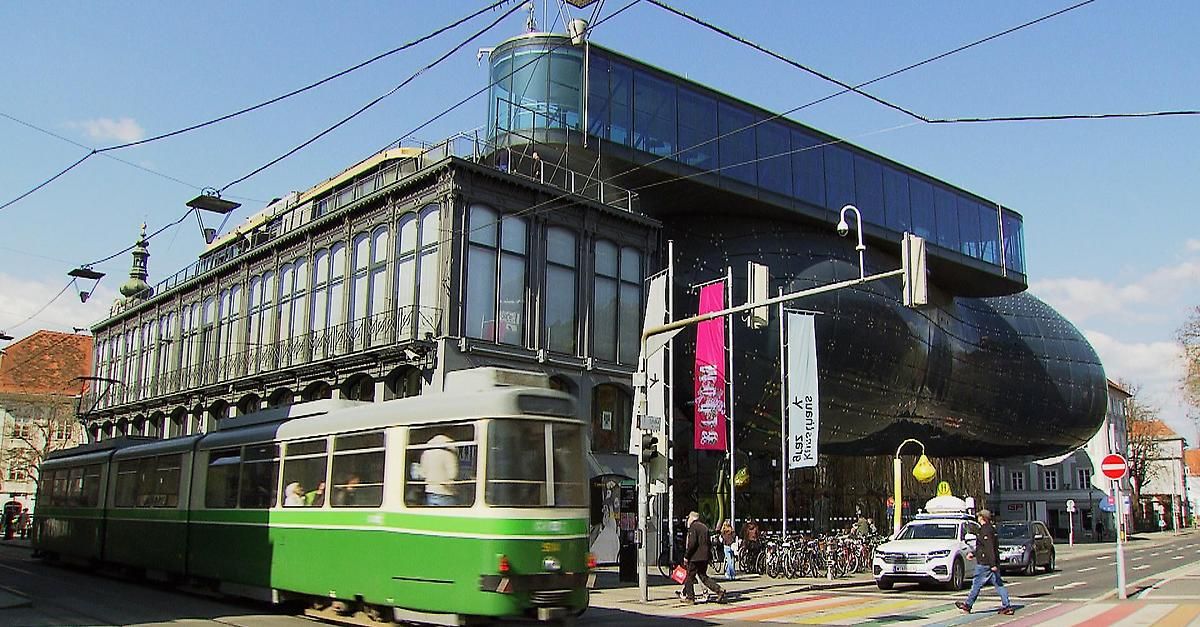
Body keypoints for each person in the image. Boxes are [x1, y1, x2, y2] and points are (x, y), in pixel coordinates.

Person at [956, 509, 1014, 615]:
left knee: (976, 584)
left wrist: (992, 564)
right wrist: (974, 554)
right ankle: (1007, 606)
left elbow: (989, 548)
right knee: (999, 584)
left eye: (979, 516)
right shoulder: (992, 529)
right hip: (991, 562)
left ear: (983, 518)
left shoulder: (985, 530)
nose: (978, 518)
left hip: (985, 563)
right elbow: (983, 547)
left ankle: (967, 605)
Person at [678, 511, 725, 604]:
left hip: (695, 557)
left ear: (692, 518)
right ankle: (719, 590)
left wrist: (686, 556)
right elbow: (709, 543)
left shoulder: (693, 527)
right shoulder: (704, 527)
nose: (687, 520)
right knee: (703, 576)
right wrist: (710, 557)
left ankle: (690, 597)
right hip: (704, 556)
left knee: (689, 577)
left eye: (688, 518)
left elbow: (692, 544)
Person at [420, 434, 458, 506]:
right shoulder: (449, 453)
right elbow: (453, 475)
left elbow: (423, 474)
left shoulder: (426, 452)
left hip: (430, 492)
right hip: (446, 494)